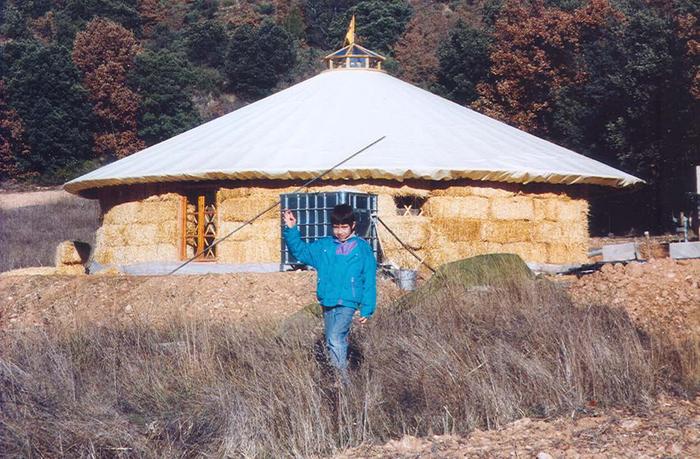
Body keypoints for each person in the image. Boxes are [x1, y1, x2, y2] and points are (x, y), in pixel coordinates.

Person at [282, 204, 376, 376]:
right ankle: (339, 376)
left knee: (335, 338)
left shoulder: (362, 248)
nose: (340, 231)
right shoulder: (325, 246)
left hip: (348, 301)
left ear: (353, 225)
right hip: (328, 299)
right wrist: (291, 228)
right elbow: (301, 252)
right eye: (336, 227)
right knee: (332, 341)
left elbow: (369, 277)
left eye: (344, 227)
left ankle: (341, 383)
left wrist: (367, 307)